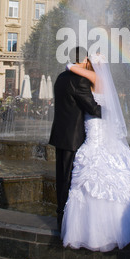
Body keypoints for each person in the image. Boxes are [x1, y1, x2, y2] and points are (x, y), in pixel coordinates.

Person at [61, 53, 130, 252]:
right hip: (99, 124)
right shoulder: (103, 81)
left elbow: (68, 66)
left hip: (95, 125)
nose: (85, 64)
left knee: (93, 160)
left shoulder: (96, 78)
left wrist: (78, 63)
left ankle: (98, 231)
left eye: (88, 61)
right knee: (104, 162)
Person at [49, 47, 102, 231]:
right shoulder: (80, 80)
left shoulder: (61, 77)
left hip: (60, 134)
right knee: (70, 178)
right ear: (86, 59)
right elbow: (92, 108)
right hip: (74, 137)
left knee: (61, 175)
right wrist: (110, 112)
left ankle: (61, 214)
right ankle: (66, 219)